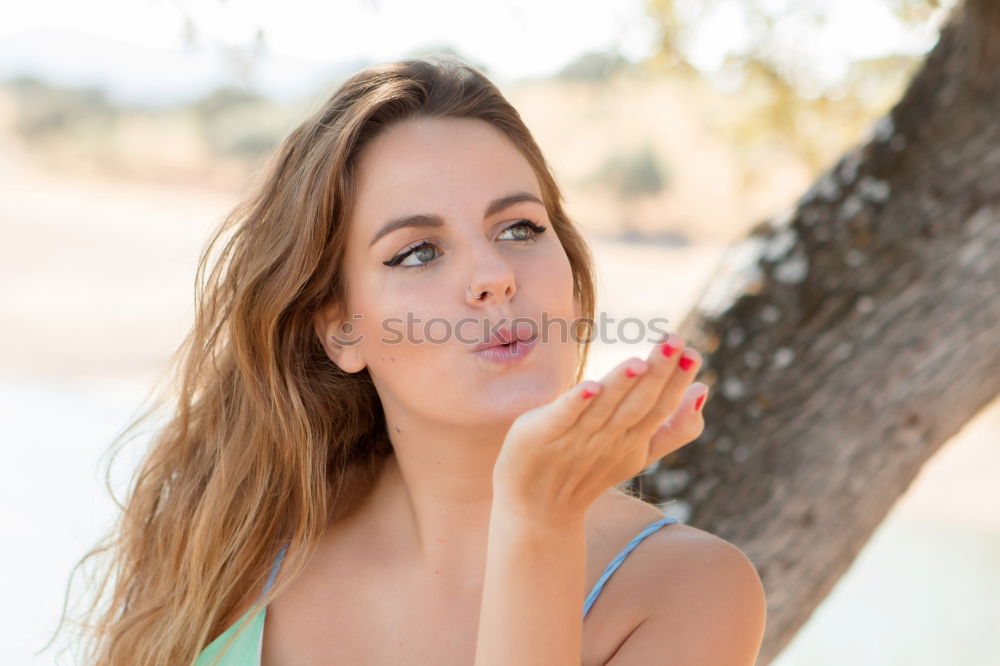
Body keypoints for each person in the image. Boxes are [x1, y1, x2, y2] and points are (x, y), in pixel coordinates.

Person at [60, 55, 766, 665]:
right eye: (418, 251)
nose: (494, 274)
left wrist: (539, 520)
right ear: (342, 331)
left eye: (520, 227)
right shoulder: (244, 536)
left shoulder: (687, 592)